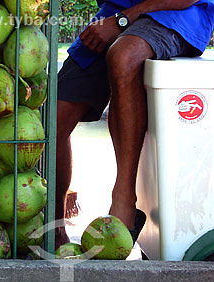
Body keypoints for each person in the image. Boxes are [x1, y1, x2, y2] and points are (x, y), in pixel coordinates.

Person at [56, 0, 214, 249]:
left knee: (124, 55)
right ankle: (54, 231)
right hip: (113, 16)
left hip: (175, 16)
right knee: (53, 117)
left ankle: (124, 200)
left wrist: (124, 19)